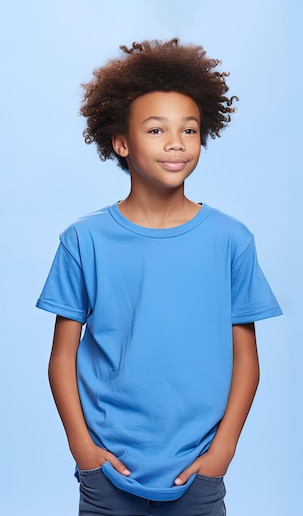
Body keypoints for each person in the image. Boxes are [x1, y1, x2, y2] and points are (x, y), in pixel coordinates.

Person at [37, 38, 282, 516]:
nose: (176, 143)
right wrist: (82, 450)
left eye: (189, 130)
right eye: (156, 130)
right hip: (107, 469)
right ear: (121, 142)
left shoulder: (231, 239)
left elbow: (246, 357)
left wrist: (222, 452)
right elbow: (62, 355)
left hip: (197, 471)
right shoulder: (83, 240)